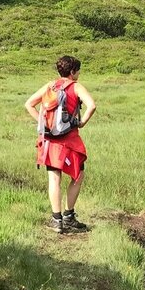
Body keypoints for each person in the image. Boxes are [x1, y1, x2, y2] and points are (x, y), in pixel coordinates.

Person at [25, 55, 97, 234]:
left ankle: (56, 220)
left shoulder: (50, 86)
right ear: (72, 72)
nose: (79, 74)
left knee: (54, 178)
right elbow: (92, 105)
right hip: (70, 140)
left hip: (50, 140)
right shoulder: (76, 86)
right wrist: (82, 122)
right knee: (78, 176)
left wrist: (44, 124)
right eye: (78, 71)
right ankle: (69, 216)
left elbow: (29, 104)